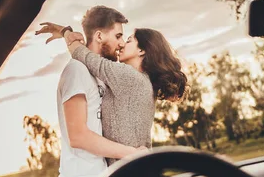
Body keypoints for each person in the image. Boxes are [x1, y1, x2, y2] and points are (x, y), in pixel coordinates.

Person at [38, 20, 187, 166]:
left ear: (141, 51)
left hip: (127, 173)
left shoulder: (128, 76)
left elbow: (82, 54)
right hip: (135, 169)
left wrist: (66, 32)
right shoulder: (142, 81)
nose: (122, 44)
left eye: (128, 40)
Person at [36, 6, 144, 177]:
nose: (120, 43)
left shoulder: (96, 71)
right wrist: (132, 154)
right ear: (100, 36)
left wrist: (65, 32)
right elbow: (78, 136)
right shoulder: (76, 71)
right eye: (118, 36)